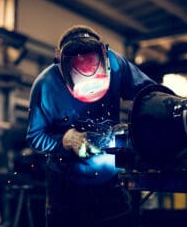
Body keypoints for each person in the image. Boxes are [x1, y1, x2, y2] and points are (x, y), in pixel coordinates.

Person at [26, 25, 156, 227]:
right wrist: (64, 140)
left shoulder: (116, 64)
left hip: (111, 182)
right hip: (65, 186)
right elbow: (34, 136)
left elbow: (151, 95)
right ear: (59, 62)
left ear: (105, 53)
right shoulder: (45, 85)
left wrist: (137, 125)